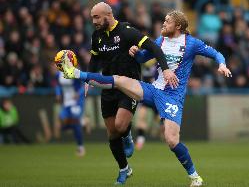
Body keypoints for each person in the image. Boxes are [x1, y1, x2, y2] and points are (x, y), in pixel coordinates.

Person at [62, 10, 231, 186]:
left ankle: (195, 176)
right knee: (120, 81)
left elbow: (215, 53)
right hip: (152, 89)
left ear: (178, 26)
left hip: (172, 97)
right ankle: (77, 74)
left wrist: (222, 64)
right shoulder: (161, 41)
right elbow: (143, 58)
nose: (163, 24)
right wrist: (136, 52)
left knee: (172, 141)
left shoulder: (192, 44)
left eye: (167, 21)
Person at [85, 2, 178, 184]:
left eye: (96, 17)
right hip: (108, 86)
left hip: (129, 87)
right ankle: (124, 169)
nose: (93, 21)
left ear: (108, 15)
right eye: (92, 18)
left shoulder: (127, 31)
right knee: (112, 133)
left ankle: (127, 135)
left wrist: (166, 70)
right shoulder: (97, 36)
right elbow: (94, 59)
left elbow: (154, 47)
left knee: (120, 126)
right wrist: (88, 79)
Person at [55, 71, 85, 157]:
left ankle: (80, 147)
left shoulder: (75, 71)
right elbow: (57, 85)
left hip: (76, 102)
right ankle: (83, 122)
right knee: (62, 123)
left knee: (75, 123)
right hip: (66, 103)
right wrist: (58, 94)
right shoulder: (58, 75)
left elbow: (85, 85)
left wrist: (78, 94)